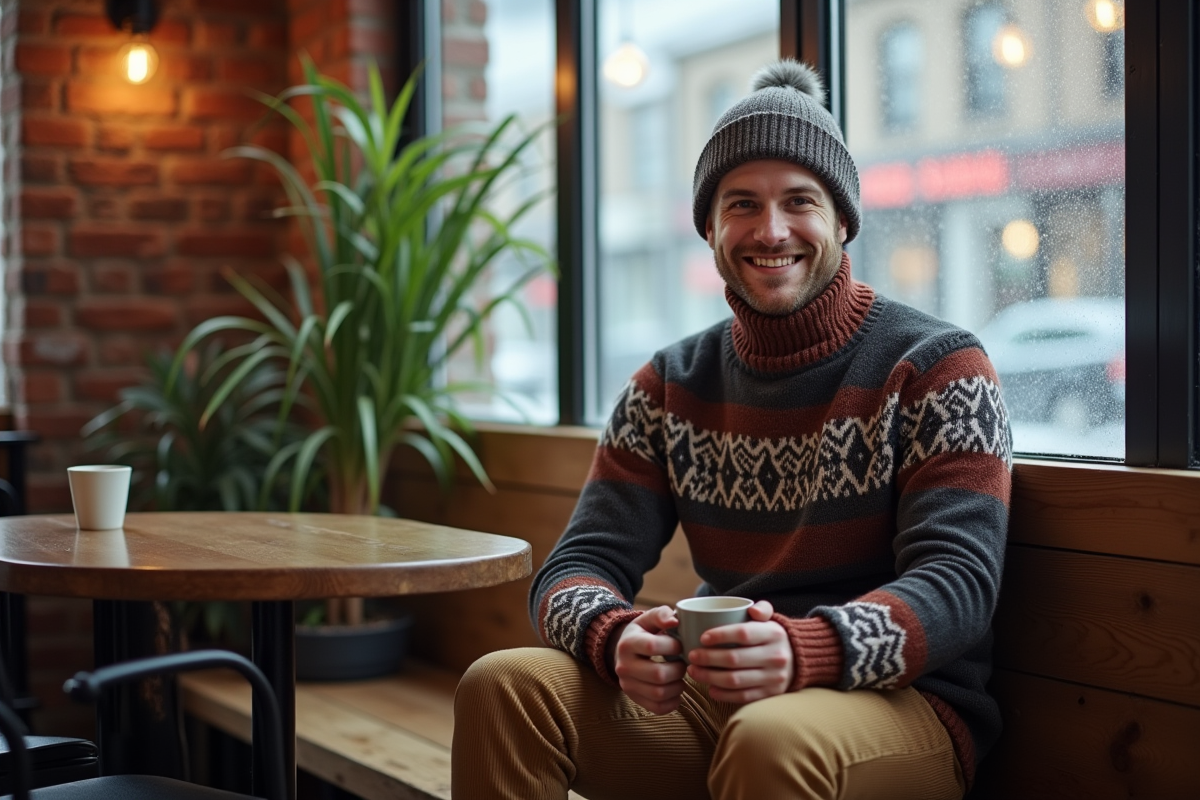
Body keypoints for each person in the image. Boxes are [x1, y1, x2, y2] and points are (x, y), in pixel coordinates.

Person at [452, 59, 1011, 800]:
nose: (771, 230)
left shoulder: (938, 367)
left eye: (799, 201)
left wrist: (805, 648)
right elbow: (572, 568)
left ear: (842, 219)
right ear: (710, 228)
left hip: (904, 709)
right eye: (742, 203)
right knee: (502, 686)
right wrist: (615, 635)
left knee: (769, 740)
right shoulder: (669, 384)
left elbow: (960, 586)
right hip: (720, 702)